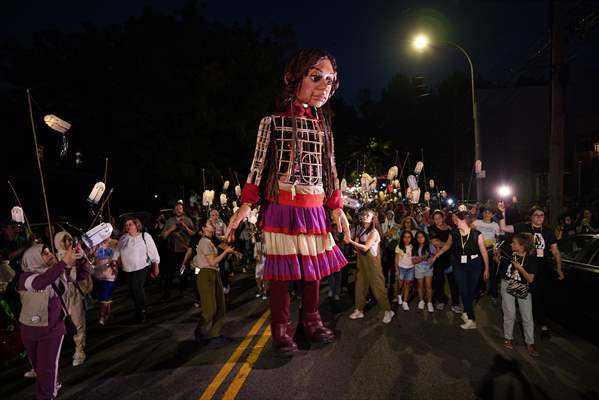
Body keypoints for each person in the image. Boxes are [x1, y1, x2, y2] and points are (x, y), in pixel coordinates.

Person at [225, 49, 349, 356]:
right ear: (294, 78)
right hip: (282, 205)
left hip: (314, 208)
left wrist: (337, 208)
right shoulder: (271, 122)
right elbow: (257, 166)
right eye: (316, 77)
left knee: (313, 271)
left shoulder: (324, 128)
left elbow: (330, 170)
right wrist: (245, 205)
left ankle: (311, 319)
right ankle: (280, 329)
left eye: (330, 80)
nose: (325, 86)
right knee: (281, 275)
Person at [498, 203, 564, 339]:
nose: (540, 218)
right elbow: (503, 227)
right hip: (525, 265)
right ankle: (526, 322)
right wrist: (502, 213)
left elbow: (555, 251)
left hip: (542, 267)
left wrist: (559, 268)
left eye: (542, 215)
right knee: (526, 294)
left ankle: (542, 324)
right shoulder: (523, 227)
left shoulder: (548, 232)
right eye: (537, 215)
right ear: (531, 217)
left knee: (538, 296)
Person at [18, 244, 75, 400]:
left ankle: (47, 395)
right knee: (39, 367)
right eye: (45, 253)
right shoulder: (25, 278)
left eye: (50, 252)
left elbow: (79, 275)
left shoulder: (57, 271)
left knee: (46, 368)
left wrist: (77, 259)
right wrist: (62, 264)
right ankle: (52, 382)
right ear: (33, 258)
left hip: (52, 329)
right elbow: (40, 282)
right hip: (29, 330)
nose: (50, 255)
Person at [438, 210, 489, 329]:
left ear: (463, 220)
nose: (454, 221)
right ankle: (471, 319)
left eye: (456, 219)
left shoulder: (477, 234)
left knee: (470, 291)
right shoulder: (454, 233)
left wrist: (487, 269)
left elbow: (484, 252)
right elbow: (447, 246)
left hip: (474, 265)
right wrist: (436, 255)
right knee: (463, 290)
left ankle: (466, 310)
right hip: (459, 264)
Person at [192, 218, 235, 346]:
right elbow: (212, 262)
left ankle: (215, 334)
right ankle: (200, 331)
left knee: (221, 306)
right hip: (206, 274)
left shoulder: (211, 240)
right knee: (210, 309)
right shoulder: (204, 242)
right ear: (204, 229)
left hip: (215, 273)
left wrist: (231, 251)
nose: (212, 225)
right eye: (209, 224)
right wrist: (226, 252)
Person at [347, 209, 394, 323]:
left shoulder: (374, 232)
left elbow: (365, 247)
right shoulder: (360, 230)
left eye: (368, 215)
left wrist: (350, 241)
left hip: (373, 264)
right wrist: (354, 246)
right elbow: (358, 249)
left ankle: (388, 311)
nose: (364, 216)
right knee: (360, 285)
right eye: (363, 214)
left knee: (378, 287)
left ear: (373, 218)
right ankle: (359, 309)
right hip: (361, 263)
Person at [54, 232, 92, 367]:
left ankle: (79, 350)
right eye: (64, 239)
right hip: (59, 294)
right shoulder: (53, 257)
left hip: (74, 292)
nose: (67, 242)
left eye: (69, 238)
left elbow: (85, 274)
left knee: (78, 323)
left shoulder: (78, 254)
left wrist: (81, 259)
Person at [500, 233, 539, 357]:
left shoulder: (531, 259)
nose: (511, 244)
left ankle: (530, 343)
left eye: (514, 243)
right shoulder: (509, 253)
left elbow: (530, 279)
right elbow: (501, 266)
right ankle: (508, 338)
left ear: (522, 246)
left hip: (522, 286)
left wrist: (520, 268)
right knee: (509, 313)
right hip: (507, 284)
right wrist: (497, 258)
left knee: (527, 316)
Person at [113, 218, 160, 323]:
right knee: (133, 291)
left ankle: (142, 310)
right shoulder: (123, 238)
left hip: (141, 268)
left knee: (137, 287)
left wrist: (156, 265)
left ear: (136, 225)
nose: (128, 226)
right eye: (126, 225)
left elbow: (153, 251)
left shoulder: (145, 236)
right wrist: (114, 261)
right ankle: (139, 308)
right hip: (127, 270)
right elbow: (117, 251)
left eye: (130, 224)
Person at [428, 210, 461, 313]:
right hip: (438, 258)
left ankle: (455, 303)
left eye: (439, 217)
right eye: (435, 218)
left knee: (453, 282)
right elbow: (435, 242)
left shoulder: (450, 228)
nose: (438, 220)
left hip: (450, 258)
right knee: (439, 281)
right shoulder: (431, 229)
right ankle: (442, 300)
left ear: (443, 218)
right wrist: (449, 244)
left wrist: (446, 245)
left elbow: (454, 241)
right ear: (433, 220)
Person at [161, 201, 194, 300]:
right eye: (177, 209)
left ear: (182, 210)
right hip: (172, 250)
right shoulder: (169, 221)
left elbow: (194, 234)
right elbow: (164, 236)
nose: (179, 210)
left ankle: (183, 291)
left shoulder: (188, 220)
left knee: (182, 272)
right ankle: (167, 293)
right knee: (169, 273)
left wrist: (186, 228)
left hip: (184, 251)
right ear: (174, 211)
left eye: (180, 208)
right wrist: (171, 229)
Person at [472, 208, 501, 305]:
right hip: (478, 250)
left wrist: (497, 252)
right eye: (485, 212)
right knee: (479, 272)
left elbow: (497, 239)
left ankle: (494, 295)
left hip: (490, 251)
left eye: (489, 212)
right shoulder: (477, 222)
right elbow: (468, 228)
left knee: (492, 274)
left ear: (492, 215)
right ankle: (479, 290)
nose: (487, 214)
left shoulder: (495, 225)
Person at [91, 238, 118, 324]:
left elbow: (119, 257)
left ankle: (101, 318)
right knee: (105, 297)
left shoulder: (115, 243)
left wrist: (115, 263)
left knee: (104, 296)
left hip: (110, 275)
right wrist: (92, 255)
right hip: (98, 275)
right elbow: (91, 260)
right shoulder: (95, 244)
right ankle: (107, 314)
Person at [413, 230, 436, 313]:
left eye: (422, 237)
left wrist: (432, 260)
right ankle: (421, 300)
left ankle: (429, 302)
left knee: (428, 286)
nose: (420, 239)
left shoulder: (430, 246)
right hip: (418, 268)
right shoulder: (415, 247)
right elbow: (414, 261)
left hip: (428, 268)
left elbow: (435, 255)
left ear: (425, 237)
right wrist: (424, 257)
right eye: (418, 237)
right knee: (420, 286)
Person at [395, 230, 415, 311]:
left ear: (411, 238)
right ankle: (399, 294)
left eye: (409, 237)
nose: (407, 239)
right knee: (400, 284)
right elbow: (396, 259)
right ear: (402, 238)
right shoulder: (399, 246)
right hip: (401, 268)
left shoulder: (413, 246)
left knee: (407, 284)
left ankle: (405, 301)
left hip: (410, 268)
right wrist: (397, 270)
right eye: (405, 237)